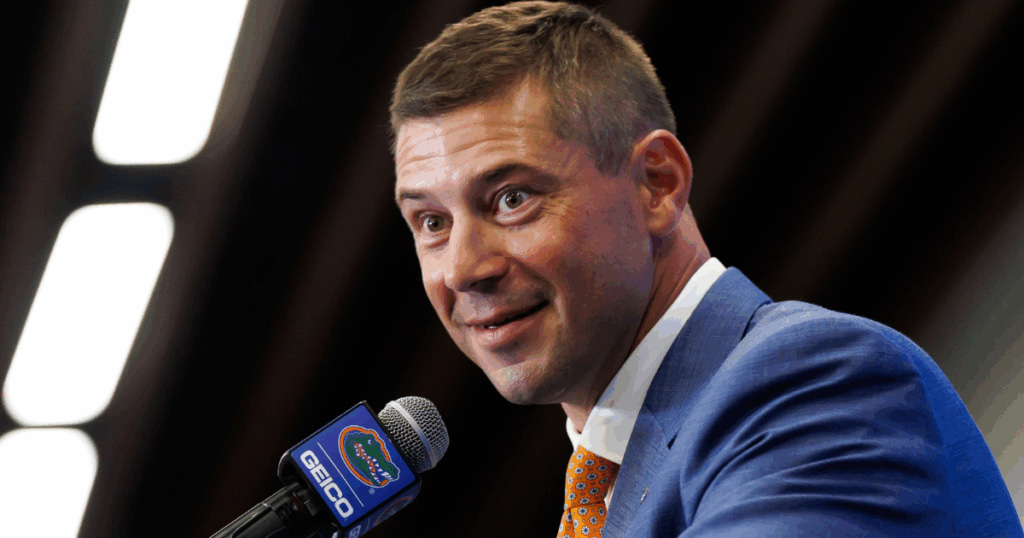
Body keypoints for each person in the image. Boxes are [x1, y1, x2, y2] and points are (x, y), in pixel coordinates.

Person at [389, 2, 1023, 536]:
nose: (462, 269)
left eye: (512, 198)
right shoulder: (611, 478)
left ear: (657, 184)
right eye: (432, 223)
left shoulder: (812, 382)